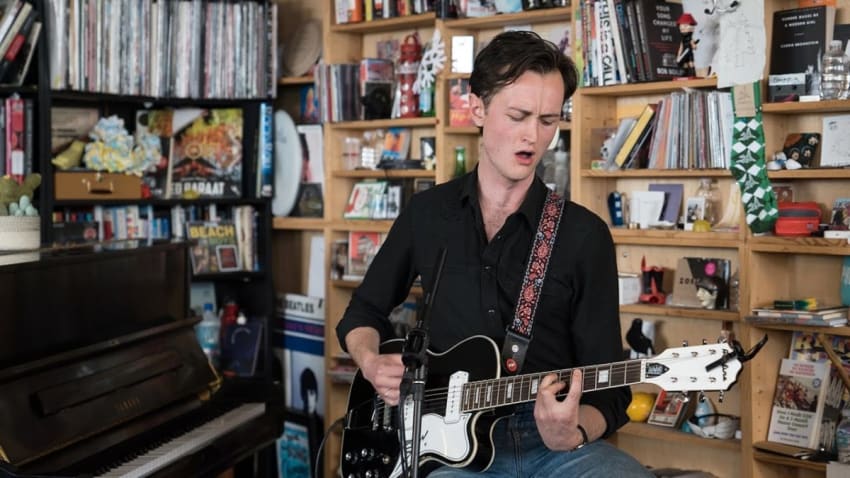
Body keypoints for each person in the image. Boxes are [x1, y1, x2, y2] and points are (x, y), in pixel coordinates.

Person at [336, 30, 652, 477]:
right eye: (518, 115)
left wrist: (575, 432)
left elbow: (610, 390)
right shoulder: (428, 214)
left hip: (552, 446)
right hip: (443, 445)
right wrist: (370, 362)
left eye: (547, 120)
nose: (532, 136)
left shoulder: (584, 236)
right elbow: (361, 313)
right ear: (478, 108)